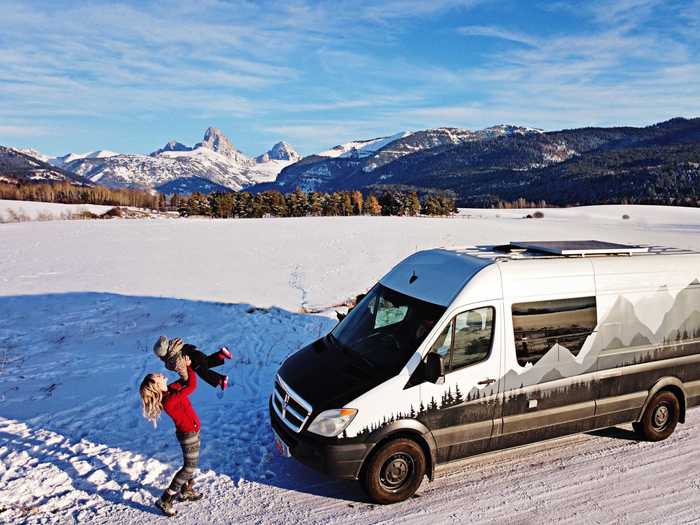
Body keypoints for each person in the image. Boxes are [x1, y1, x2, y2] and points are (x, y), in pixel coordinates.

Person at [140, 364, 203, 517]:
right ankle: (165, 499)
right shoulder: (169, 400)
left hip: (194, 431)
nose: (160, 375)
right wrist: (190, 367)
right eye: (157, 376)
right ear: (155, 385)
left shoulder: (171, 389)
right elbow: (192, 386)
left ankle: (186, 491)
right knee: (189, 467)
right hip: (188, 435)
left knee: (191, 465)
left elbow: (184, 381)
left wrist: (182, 366)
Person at [153, 336, 231, 390]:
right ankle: (221, 355)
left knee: (203, 372)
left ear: (163, 354)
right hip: (196, 354)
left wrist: (185, 380)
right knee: (206, 362)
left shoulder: (174, 359)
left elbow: (182, 369)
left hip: (194, 361)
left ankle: (220, 379)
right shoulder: (175, 346)